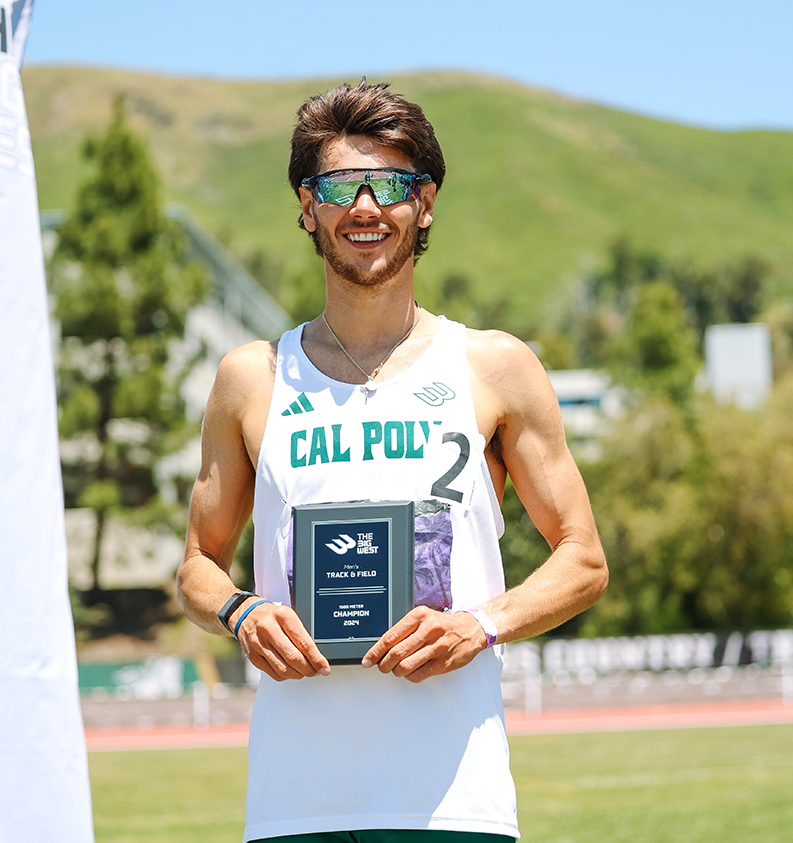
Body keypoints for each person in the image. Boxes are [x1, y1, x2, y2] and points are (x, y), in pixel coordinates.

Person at [175, 81, 608, 842]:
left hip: (455, 803)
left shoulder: (492, 366)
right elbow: (196, 567)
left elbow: (584, 559)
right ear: (309, 207)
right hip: (295, 803)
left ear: (426, 203)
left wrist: (480, 624)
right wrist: (241, 612)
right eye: (341, 185)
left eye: (393, 185)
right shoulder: (252, 377)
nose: (366, 207)